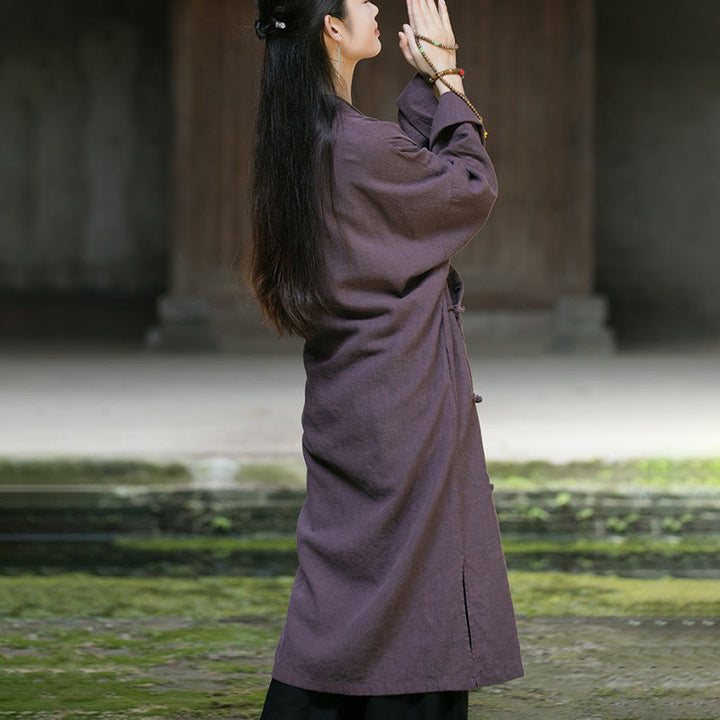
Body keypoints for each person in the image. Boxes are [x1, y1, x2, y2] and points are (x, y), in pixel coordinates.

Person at [248, 0, 524, 717]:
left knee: (345, 574)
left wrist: (431, 81)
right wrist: (451, 78)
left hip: (347, 394)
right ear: (332, 29)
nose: (375, 4)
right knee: (421, 569)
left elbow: (394, 172)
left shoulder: (295, 138)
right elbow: (468, 186)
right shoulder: (356, 147)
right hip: (401, 397)